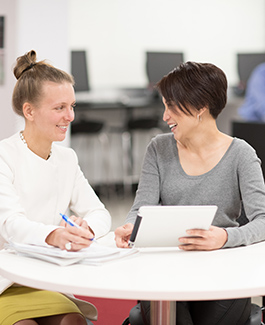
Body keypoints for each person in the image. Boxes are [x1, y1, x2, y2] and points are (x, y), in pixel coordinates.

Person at [115, 61, 265, 325]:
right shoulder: (158, 149)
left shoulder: (241, 154)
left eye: (171, 106)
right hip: (165, 269)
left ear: (200, 108)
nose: (165, 117)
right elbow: (141, 208)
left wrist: (226, 237)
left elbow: (263, 221)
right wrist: (130, 226)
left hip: (223, 271)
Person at [0, 50, 111, 325]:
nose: (70, 116)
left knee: (73, 322)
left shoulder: (67, 158)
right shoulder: (4, 156)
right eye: (59, 108)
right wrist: (55, 235)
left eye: (72, 106)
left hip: (47, 278)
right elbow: (11, 224)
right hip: (6, 280)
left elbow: (100, 212)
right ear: (29, 111)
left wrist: (87, 228)